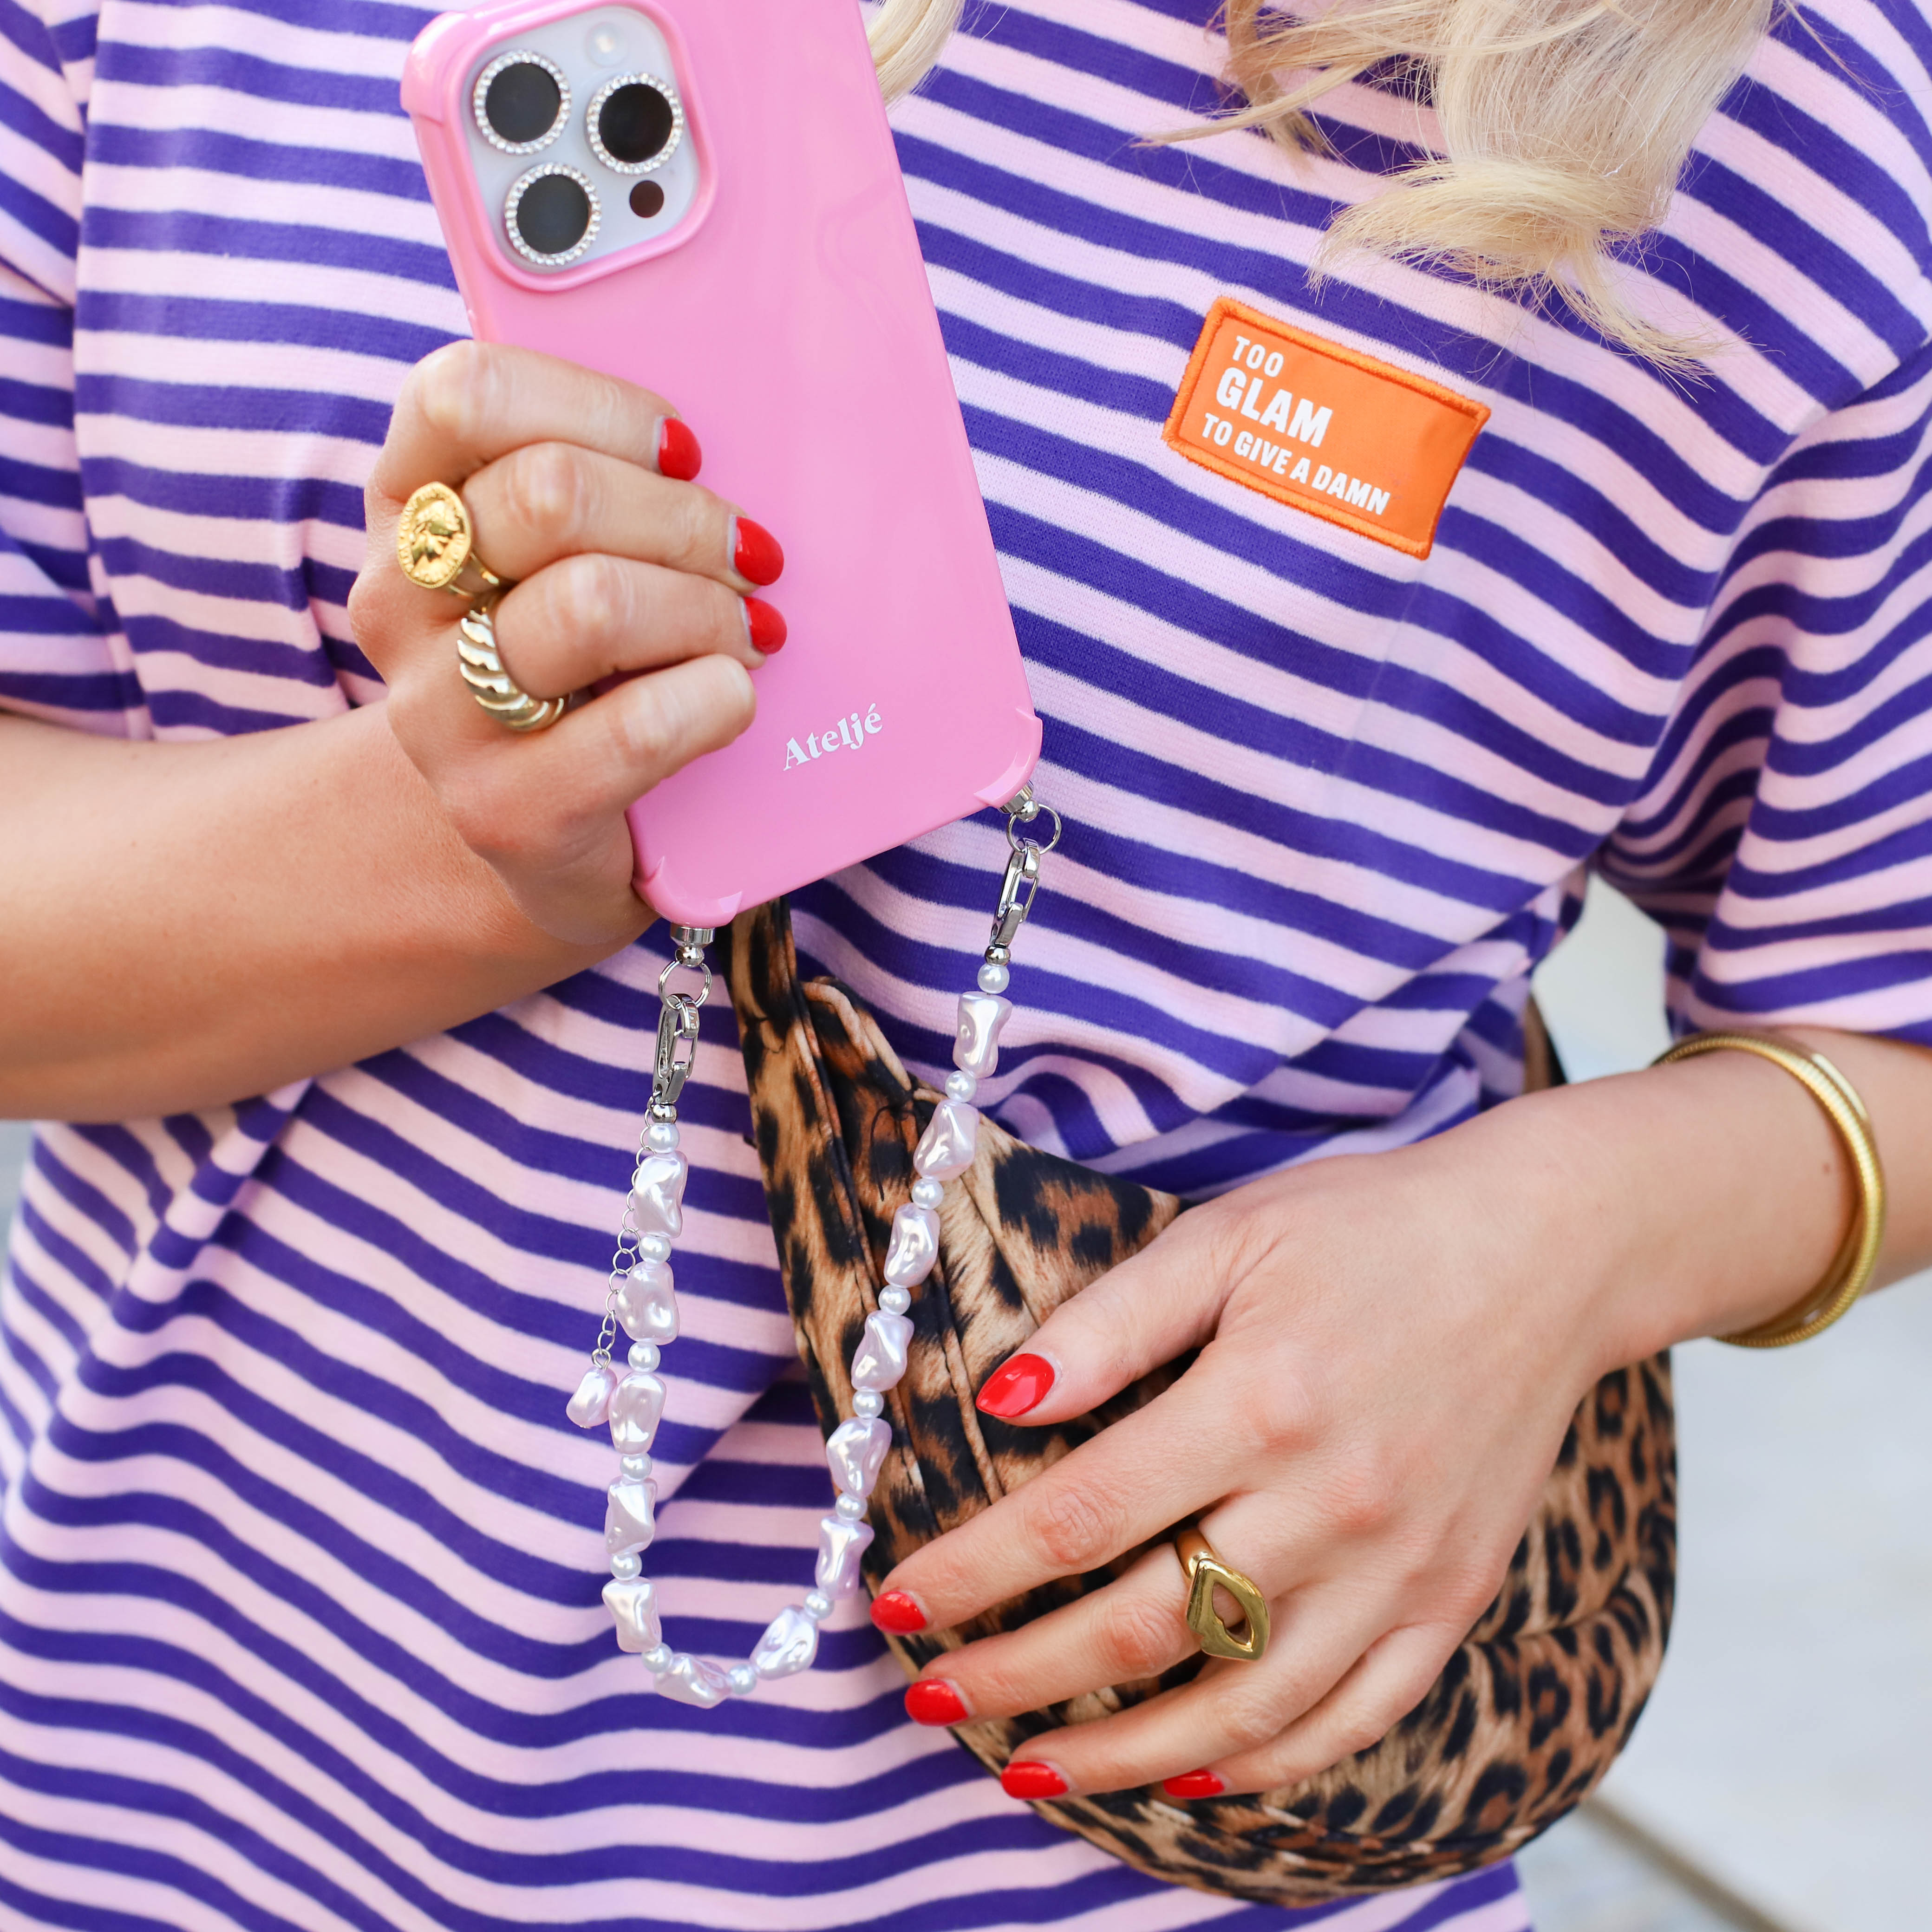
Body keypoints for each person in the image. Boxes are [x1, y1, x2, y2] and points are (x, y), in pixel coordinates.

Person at [2, 0, 1929, 1925]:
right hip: (162, 1770)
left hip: (1099, 1829)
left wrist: (1552, 1247)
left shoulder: (1791, 139)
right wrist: (469, 832)